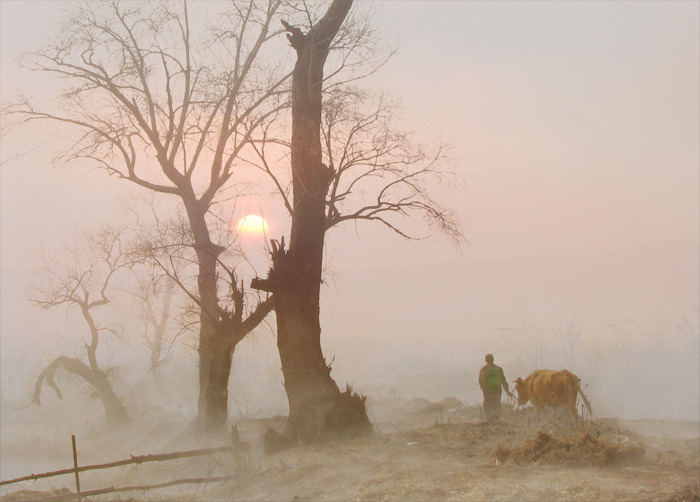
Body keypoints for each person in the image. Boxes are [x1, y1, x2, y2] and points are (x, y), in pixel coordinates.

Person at [478, 354, 513, 421]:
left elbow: (480, 380)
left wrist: (483, 389)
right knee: (497, 403)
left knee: (487, 405)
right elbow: (503, 380)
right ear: (493, 360)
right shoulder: (499, 369)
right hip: (497, 390)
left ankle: (488, 419)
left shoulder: (483, 369)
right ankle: (497, 419)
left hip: (488, 390)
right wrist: (507, 391)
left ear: (485, 360)